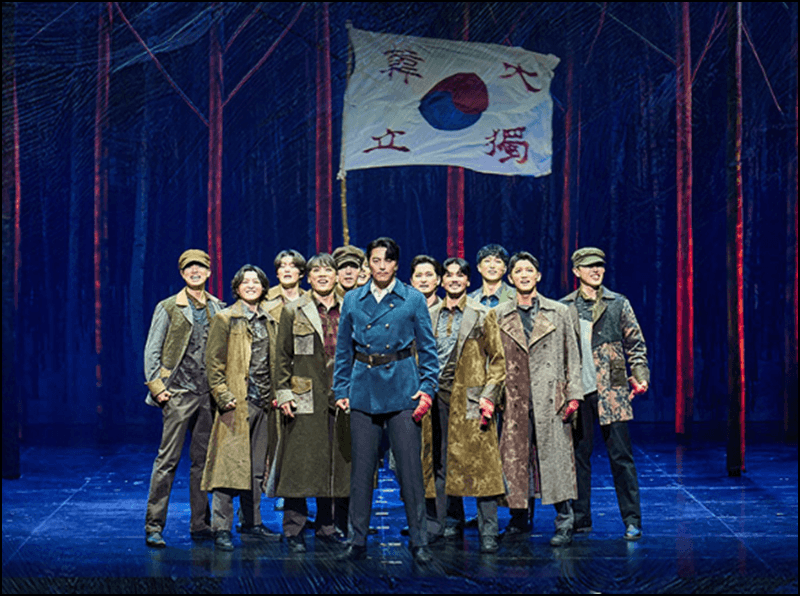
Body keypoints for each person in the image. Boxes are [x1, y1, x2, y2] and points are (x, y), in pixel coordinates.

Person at [333, 237, 439, 563]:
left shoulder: (412, 298)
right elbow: (343, 350)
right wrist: (341, 390)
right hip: (363, 389)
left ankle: (419, 541)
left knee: (410, 472)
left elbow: (428, 349)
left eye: (387, 260)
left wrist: (427, 387)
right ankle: (357, 540)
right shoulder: (353, 299)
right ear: (368, 263)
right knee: (361, 472)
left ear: (396, 264)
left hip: (403, 390)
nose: (381, 266)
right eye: (376, 260)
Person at [560, 247, 649, 541]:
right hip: (579, 390)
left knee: (621, 456)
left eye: (599, 265)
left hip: (612, 390)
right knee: (578, 457)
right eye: (588, 266)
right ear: (576, 271)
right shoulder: (564, 307)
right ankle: (580, 518)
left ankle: (632, 519)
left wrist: (640, 376)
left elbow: (635, 344)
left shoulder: (617, 303)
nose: (595, 270)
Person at [495, 252, 582, 546]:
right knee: (516, 461)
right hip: (515, 397)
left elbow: (573, 356)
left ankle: (565, 521)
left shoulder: (559, 311)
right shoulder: (499, 314)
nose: (524, 275)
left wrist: (574, 395)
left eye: (529, 270)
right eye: (518, 271)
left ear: (538, 275)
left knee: (556, 459)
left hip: (550, 397)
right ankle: (519, 519)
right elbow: (493, 359)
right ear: (510, 278)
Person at [143, 249, 225, 548]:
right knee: (167, 461)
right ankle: (154, 525)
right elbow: (152, 348)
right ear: (181, 273)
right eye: (189, 267)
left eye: (200, 267)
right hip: (177, 394)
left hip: (207, 396)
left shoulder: (218, 307)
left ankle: (200, 524)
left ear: (209, 272)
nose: (195, 271)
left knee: (202, 463)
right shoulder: (168, 307)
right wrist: (157, 387)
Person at [424, 258, 505, 553]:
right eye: (449, 275)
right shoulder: (430, 314)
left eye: (460, 275)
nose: (454, 279)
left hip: (471, 398)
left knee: (482, 465)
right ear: (442, 281)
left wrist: (489, 395)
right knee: (442, 461)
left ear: (468, 281)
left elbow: (498, 360)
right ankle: (447, 521)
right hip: (436, 397)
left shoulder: (482, 313)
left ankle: (488, 531)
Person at [201, 264, 282, 551]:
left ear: (263, 287)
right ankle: (221, 528)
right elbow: (213, 363)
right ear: (237, 288)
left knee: (256, 469)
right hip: (236, 404)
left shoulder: (270, 321)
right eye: (245, 281)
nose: (251, 285)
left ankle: (252, 523)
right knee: (227, 468)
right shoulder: (225, 318)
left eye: (256, 281)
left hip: (263, 404)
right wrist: (223, 396)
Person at [275, 253, 350, 553]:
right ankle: (294, 529)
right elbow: (282, 357)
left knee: (333, 461)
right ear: (308, 277)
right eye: (316, 270)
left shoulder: (349, 308)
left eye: (327, 270)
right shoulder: (293, 310)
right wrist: (283, 393)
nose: (322, 275)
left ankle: (327, 526)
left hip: (340, 394)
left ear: (335, 276)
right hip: (304, 395)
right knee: (300, 463)